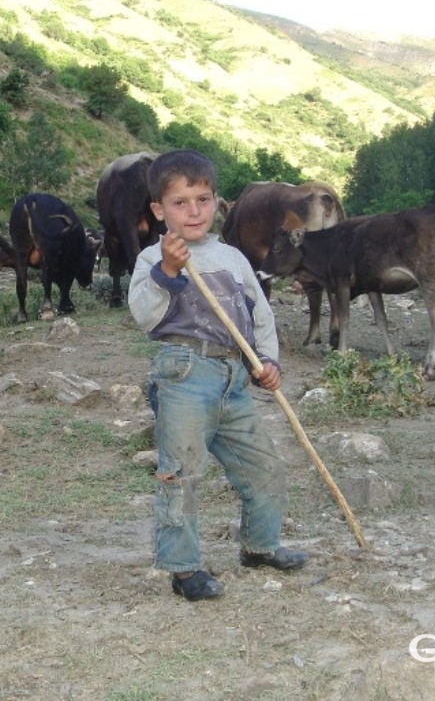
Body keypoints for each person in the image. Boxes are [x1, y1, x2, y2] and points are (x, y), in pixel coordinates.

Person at [128, 149, 309, 601]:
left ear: (216, 202)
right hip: (184, 373)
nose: (194, 211)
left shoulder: (233, 258)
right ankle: (184, 568)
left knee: (264, 467)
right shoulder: (153, 258)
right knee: (182, 473)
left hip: (233, 376)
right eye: (180, 202)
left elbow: (260, 316)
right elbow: (146, 317)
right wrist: (168, 271)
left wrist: (266, 361)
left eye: (203, 199)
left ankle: (261, 545)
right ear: (158, 210)